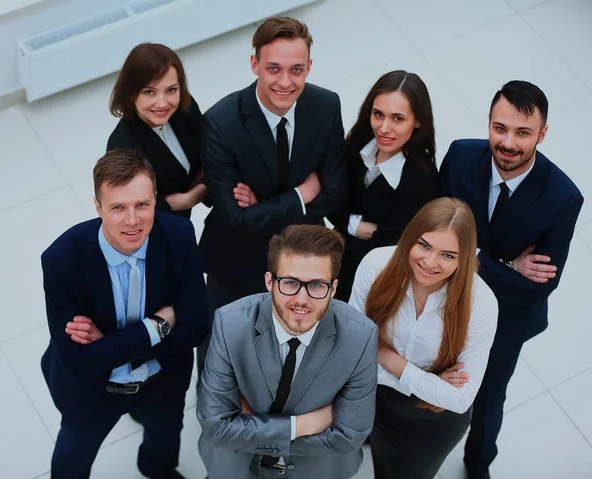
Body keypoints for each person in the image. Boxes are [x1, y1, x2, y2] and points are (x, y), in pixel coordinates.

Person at [440, 80, 584, 479]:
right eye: (500, 128)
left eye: (523, 133)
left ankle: (478, 463)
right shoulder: (459, 155)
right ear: (488, 121)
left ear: (543, 133)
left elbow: (537, 289)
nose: (508, 143)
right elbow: (433, 230)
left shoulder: (563, 197)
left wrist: (467, 257)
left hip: (508, 319)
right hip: (442, 295)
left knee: (489, 397)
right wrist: (503, 262)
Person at [41, 150, 208, 479]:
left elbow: (197, 328)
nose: (132, 220)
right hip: (92, 391)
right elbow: (76, 361)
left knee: (164, 441)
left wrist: (108, 345)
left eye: (142, 205)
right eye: (118, 207)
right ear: (98, 206)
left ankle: (155, 469)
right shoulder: (61, 259)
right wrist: (156, 327)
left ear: (154, 199)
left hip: (162, 380)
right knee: (72, 457)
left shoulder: (178, 236)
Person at [197, 16, 348, 356]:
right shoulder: (220, 123)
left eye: (296, 70)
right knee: (220, 353)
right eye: (273, 68)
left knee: (294, 352)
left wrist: (262, 205)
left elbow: (337, 193)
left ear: (309, 67)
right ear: (255, 65)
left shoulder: (326, 106)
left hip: (304, 258)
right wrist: (302, 194)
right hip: (236, 262)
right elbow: (235, 222)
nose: (285, 81)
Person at [197, 225, 378, 479]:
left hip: (317, 471)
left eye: (316, 285)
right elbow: (216, 426)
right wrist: (302, 426)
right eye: (290, 282)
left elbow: (349, 437)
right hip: (236, 468)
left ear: (334, 289)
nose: (302, 300)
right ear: (269, 282)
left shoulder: (361, 336)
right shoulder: (230, 323)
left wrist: (248, 430)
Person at [349, 197, 498, 479]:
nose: (429, 263)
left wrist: (388, 357)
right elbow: (352, 351)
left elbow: (459, 399)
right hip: (368, 395)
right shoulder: (376, 264)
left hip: (429, 418)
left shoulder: (481, 304)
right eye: (424, 245)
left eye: (448, 255)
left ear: (464, 258)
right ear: (410, 237)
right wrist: (430, 380)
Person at [328, 70, 440, 301]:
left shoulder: (423, 181)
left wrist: (344, 221)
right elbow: (329, 200)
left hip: (370, 278)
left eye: (398, 118)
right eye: (378, 114)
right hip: (333, 257)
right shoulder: (359, 142)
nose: (384, 128)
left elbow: (388, 246)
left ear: (418, 120)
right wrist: (358, 227)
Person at [108, 43, 207, 219]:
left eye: (171, 90)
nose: (162, 103)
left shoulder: (185, 107)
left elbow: (215, 153)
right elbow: (144, 213)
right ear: (131, 94)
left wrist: (192, 197)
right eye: (149, 92)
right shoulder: (122, 149)